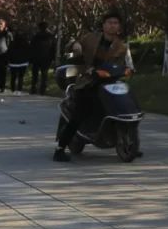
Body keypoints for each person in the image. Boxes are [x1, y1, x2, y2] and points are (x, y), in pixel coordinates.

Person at [52, 9, 135, 162]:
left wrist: (127, 71)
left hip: (110, 83)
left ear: (119, 27)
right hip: (88, 82)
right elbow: (72, 46)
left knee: (127, 104)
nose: (112, 26)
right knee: (80, 113)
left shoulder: (122, 47)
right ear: (103, 25)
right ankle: (60, 148)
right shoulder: (90, 38)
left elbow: (128, 66)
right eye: (109, 23)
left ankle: (129, 143)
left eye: (115, 23)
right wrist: (75, 45)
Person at [29, 21, 56, 95]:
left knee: (35, 74)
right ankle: (42, 90)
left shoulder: (36, 37)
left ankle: (33, 88)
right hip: (46, 58)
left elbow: (31, 48)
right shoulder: (50, 37)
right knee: (44, 74)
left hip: (36, 58)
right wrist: (53, 58)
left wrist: (31, 59)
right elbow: (53, 48)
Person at [7, 28, 30, 94]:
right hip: (23, 62)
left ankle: (13, 89)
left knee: (13, 76)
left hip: (13, 63)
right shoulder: (25, 43)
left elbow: (9, 52)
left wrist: (9, 61)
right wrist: (28, 60)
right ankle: (19, 90)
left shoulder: (12, 43)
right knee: (21, 77)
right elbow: (28, 52)